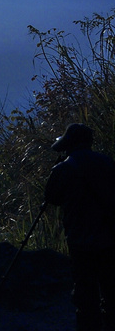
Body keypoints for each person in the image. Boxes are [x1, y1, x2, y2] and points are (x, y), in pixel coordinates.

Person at [44, 123, 115, 331]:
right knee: (111, 289)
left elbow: (51, 198)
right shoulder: (107, 163)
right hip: (109, 237)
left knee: (85, 294)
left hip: (80, 240)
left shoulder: (65, 168)